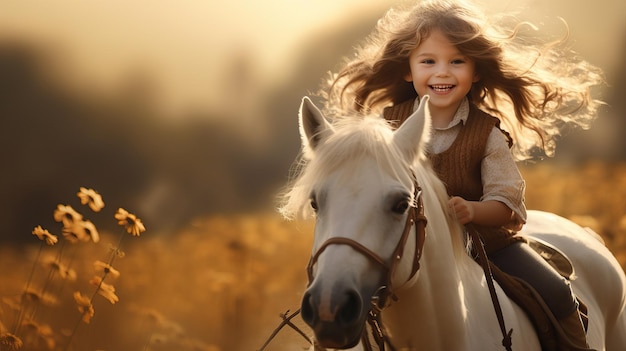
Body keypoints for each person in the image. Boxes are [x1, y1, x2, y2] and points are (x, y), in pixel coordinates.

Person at [316, 0, 604, 349]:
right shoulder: (385, 129)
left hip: (487, 245)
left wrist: (473, 210)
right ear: (408, 70)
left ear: (476, 71)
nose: (442, 72)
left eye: (457, 61)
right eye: (428, 62)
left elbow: (507, 203)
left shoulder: (487, 134)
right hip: (406, 248)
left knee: (556, 291)